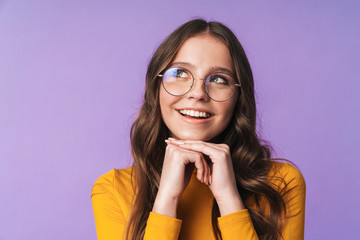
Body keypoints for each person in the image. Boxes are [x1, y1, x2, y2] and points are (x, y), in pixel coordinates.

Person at [91, 19, 306, 240]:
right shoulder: (112, 190)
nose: (198, 93)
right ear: (156, 87)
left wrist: (228, 199)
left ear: (239, 97)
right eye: (180, 74)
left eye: (219, 79)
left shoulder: (281, 183)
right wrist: (167, 199)